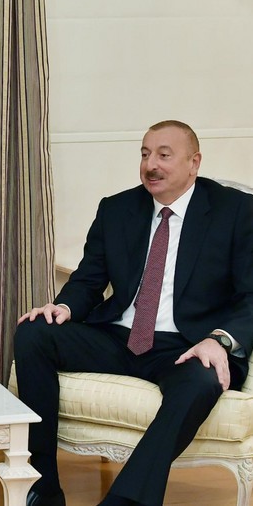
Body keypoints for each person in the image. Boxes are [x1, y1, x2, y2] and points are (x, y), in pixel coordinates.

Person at [14, 120, 253, 506]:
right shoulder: (117, 208)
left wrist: (220, 340)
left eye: (164, 155)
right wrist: (63, 306)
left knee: (203, 378)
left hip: (187, 344)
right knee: (34, 331)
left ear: (194, 162)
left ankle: (124, 500)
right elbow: (88, 280)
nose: (150, 165)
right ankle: (42, 488)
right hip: (119, 337)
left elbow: (251, 295)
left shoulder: (236, 211)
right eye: (144, 154)